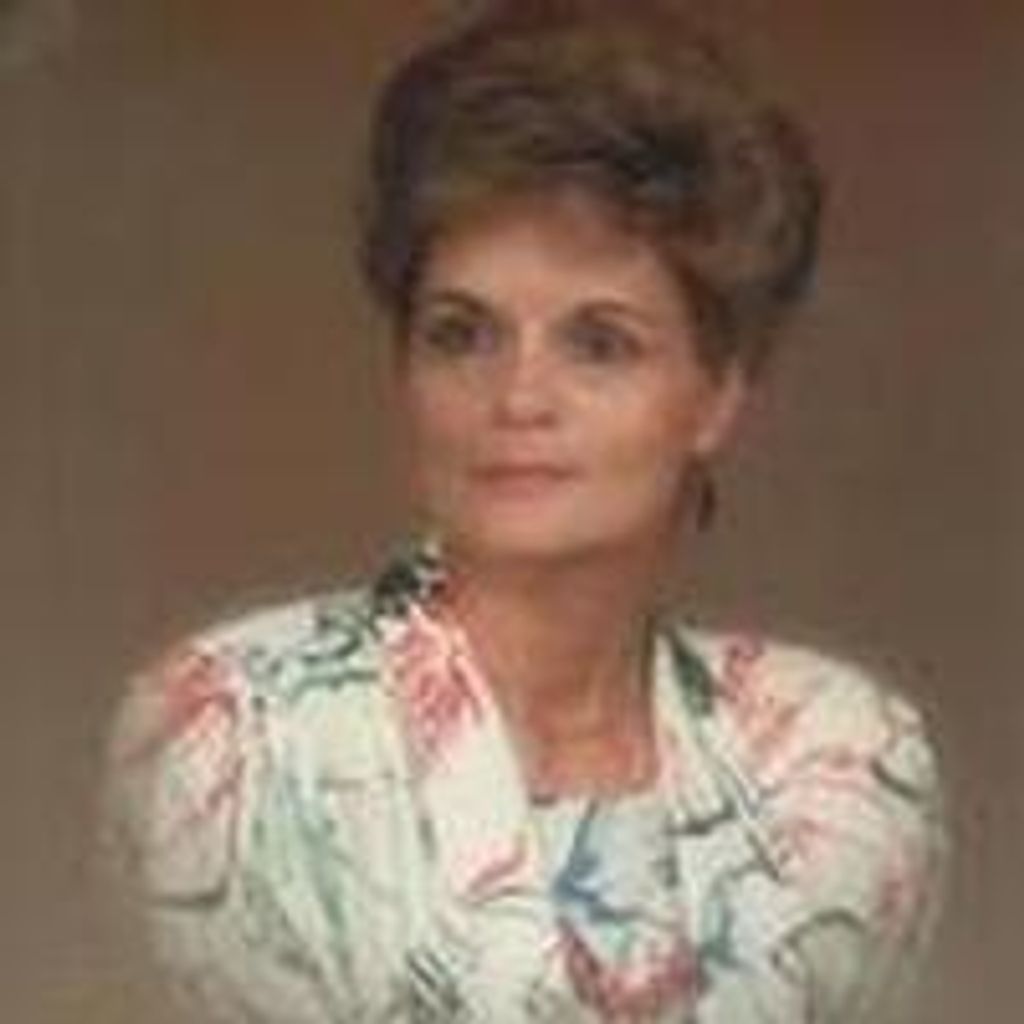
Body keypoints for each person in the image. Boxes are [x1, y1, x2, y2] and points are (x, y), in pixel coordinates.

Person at [101, 2, 946, 1021]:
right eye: (463, 334)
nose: (519, 397)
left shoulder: (839, 757)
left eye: (599, 343)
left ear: (717, 394)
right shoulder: (228, 733)